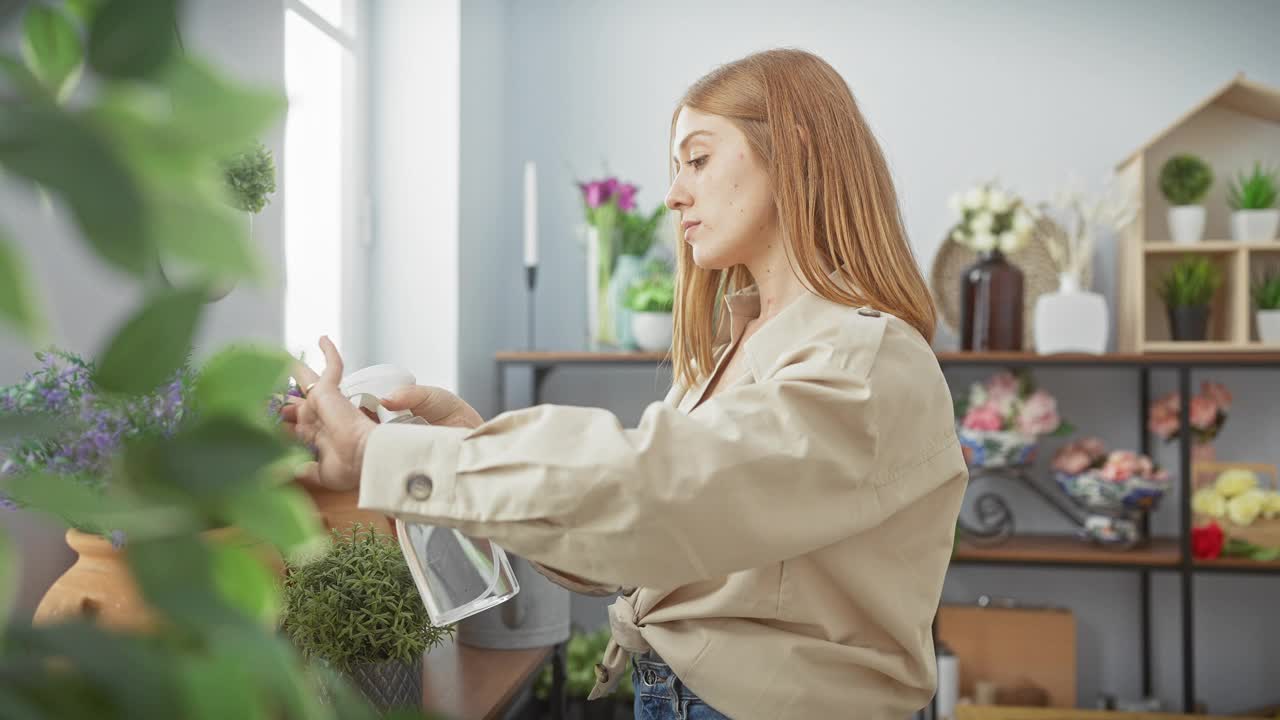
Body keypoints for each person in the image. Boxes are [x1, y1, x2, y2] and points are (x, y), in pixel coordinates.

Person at [284, 48, 967, 720]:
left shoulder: (866, 359)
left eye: (697, 159)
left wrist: (386, 456)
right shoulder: (741, 349)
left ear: (792, 154)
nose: (673, 194)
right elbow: (633, 550)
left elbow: (653, 494)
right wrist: (468, 439)